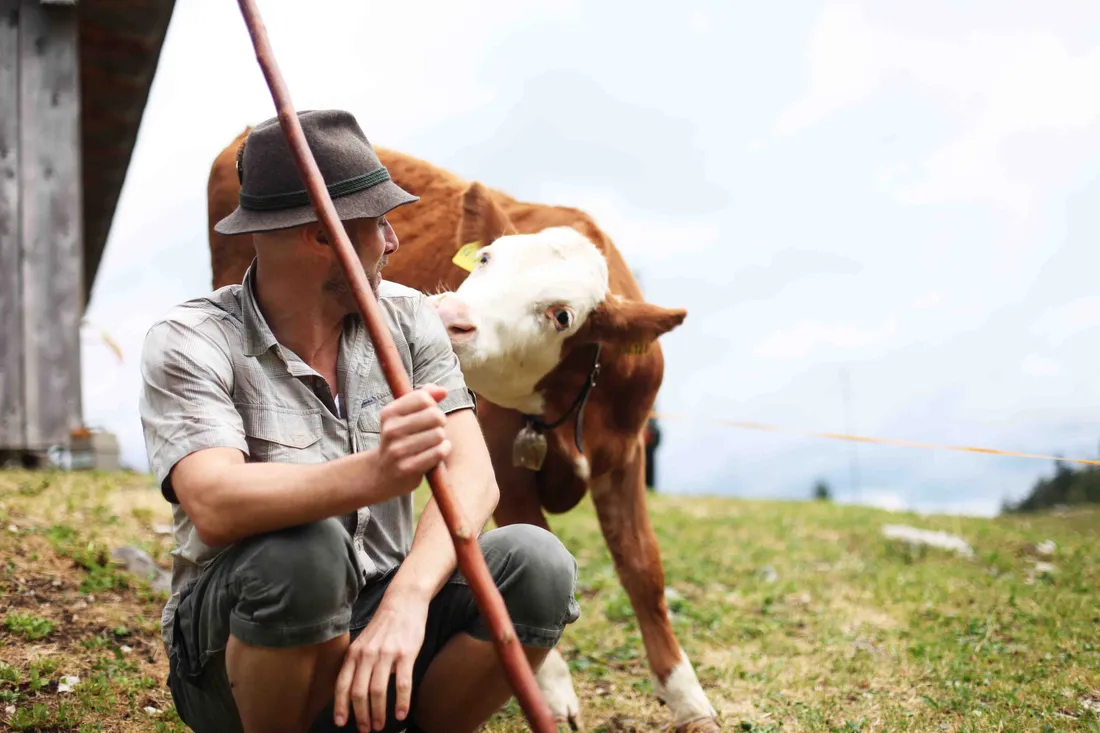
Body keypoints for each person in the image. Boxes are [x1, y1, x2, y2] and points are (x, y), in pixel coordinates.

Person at [138, 109, 580, 733]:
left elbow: (475, 479)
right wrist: (376, 473)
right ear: (323, 238)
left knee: (537, 562)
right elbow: (214, 502)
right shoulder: (189, 341)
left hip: (385, 630)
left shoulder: (408, 318)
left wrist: (408, 599)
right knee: (306, 547)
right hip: (239, 651)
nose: (395, 243)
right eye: (380, 225)